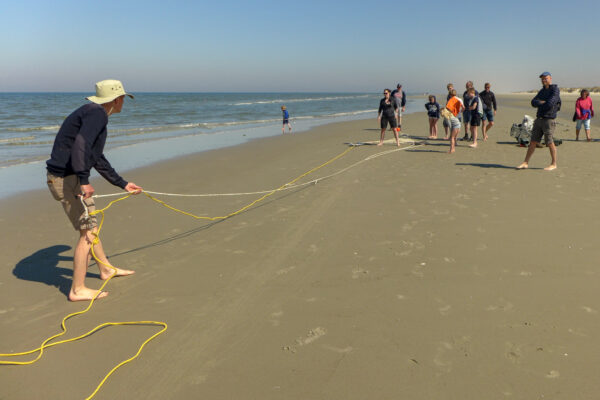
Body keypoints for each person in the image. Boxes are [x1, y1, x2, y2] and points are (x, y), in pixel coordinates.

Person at [46, 79, 143, 301]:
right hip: (67, 179)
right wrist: (83, 179)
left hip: (68, 177)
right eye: (123, 99)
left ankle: (105, 269)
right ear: (116, 99)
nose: (123, 103)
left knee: (92, 226)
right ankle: (77, 289)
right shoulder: (97, 114)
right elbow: (81, 144)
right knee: (87, 233)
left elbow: (95, 156)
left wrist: (121, 183)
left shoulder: (93, 113)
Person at [517, 72, 561, 171]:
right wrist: (541, 102)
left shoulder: (555, 90)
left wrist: (541, 103)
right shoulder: (542, 91)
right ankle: (525, 162)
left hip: (549, 119)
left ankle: (553, 164)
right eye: (542, 79)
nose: (543, 80)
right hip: (539, 119)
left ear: (550, 78)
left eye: (545, 78)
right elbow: (533, 102)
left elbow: (550, 104)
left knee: (549, 142)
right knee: (533, 142)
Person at [445, 89, 465, 153]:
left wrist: (447, 111)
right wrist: (460, 111)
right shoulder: (459, 99)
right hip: (458, 117)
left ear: (450, 94)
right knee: (454, 136)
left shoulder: (451, 100)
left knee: (452, 137)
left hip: (454, 119)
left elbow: (448, 108)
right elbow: (463, 107)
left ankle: (452, 149)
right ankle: (453, 147)